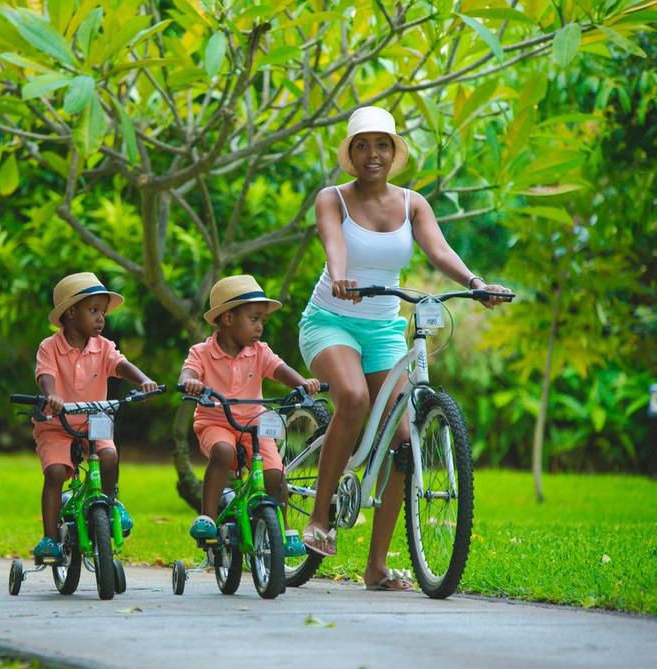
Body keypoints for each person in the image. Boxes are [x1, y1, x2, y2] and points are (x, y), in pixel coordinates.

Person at [298, 106, 511, 590]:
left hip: (383, 329)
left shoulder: (413, 204)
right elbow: (333, 244)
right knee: (353, 397)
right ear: (350, 153)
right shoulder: (332, 198)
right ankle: (319, 518)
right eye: (362, 145)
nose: (372, 154)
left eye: (382, 145)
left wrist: (476, 283)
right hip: (331, 321)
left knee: (404, 442)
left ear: (394, 152)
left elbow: (439, 249)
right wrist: (340, 277)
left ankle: (376, 566)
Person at [179, 274, 322, 556]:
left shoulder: (259, 352)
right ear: (228, 318)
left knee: (275, 474)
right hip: (215, 422)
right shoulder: (202, 352)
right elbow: (188, 372)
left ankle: (281, 529)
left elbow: (280, 370)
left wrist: (302, 384)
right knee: (222, 451)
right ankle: (207, 517)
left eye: (262, 321)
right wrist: (190, 382)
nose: (260, 327)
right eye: (254, 319)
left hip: (254, 424)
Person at [32, 272, 158, 563]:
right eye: (93, 311)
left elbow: (120, 364)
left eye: (103, 312)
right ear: (70, 313)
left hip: (93, 422)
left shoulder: (103, 347)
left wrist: (143, 380)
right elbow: (45, 375)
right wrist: (52, 396)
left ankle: (110, 503)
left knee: (109, 456)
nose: (101, 318)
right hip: (58, 424)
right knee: (55, 473)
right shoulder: (49, 347)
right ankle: (50, 538)